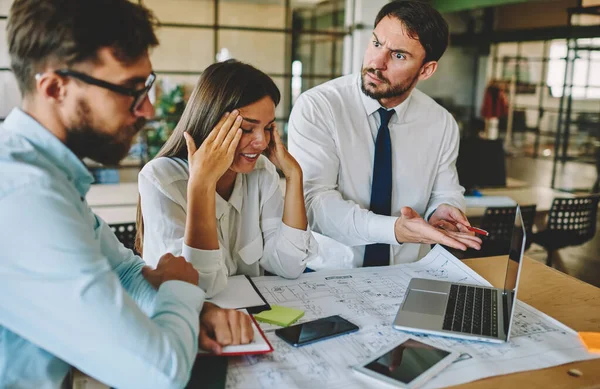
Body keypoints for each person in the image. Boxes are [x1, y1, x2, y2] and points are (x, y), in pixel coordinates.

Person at [0, 1, 252, 388]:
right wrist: (181, 291)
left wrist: (195, 310)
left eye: (147, 87)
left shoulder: (48, 174)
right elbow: (159, 374)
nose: (149, 110)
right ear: (55, 87)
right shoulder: (23, 194)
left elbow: (124, 270)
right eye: (132, 90)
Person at [288, 0, 482, 270]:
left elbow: (445, 190)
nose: (376, 63)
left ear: (426, 70)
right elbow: (314, 203)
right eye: (376, 44)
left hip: (407, 273)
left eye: (399, 55)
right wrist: (394, 230)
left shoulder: (440, 122)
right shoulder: (319, 107)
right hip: (327, 274)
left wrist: (444, 208)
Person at [137, 60, 317, 297]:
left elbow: (290, 265)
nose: (262, 142)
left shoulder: (261, 172)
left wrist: (294, 175)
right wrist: (202, 184)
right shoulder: (161, 179)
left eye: (268, 128)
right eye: (246, 128)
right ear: (211, 123)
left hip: (252, 319)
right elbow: (200, 287)